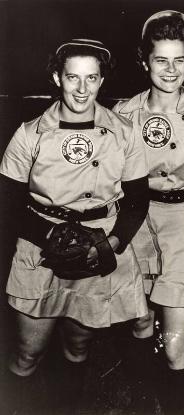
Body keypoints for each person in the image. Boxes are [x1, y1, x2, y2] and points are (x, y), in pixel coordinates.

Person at [0, 38, 149, 414]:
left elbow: (137, 200)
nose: (82, 89)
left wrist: (111, 244)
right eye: (72, 78)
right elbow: (7, 203)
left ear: (101, 81)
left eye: (92, 78)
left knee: (78, 347)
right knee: (28, 353)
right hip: (41, 246)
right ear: (57, 77)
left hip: (98, 246)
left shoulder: (124, 131)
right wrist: (48, 235)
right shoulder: (30, 133)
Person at [113, 10, 184, 415]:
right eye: (161, 59)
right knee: (140, 325)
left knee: (177, 346)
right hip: (136, 224)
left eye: (179, 60)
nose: (170, 69)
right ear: (145, 61)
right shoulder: (125, 113)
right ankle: (142, 401)